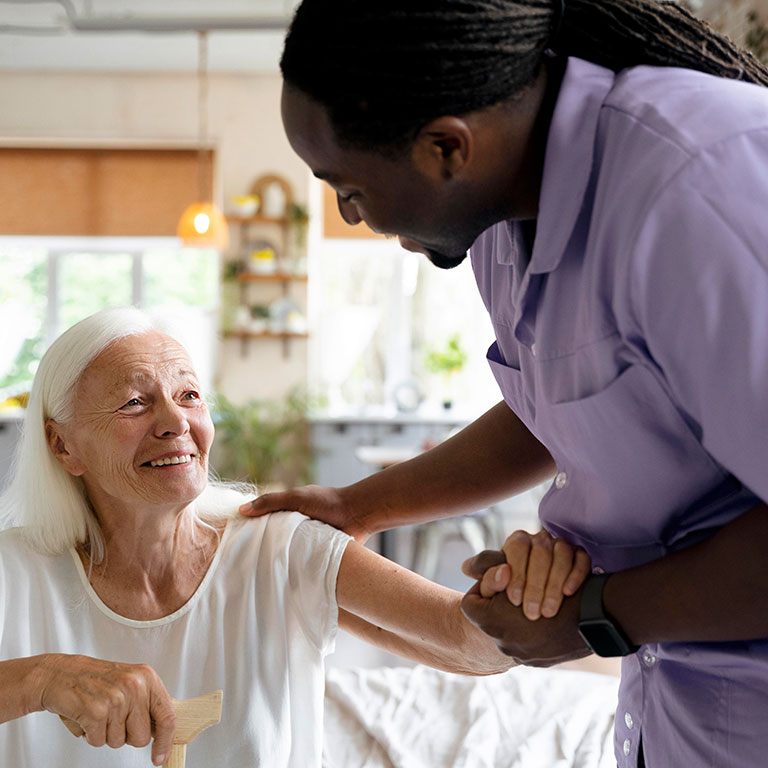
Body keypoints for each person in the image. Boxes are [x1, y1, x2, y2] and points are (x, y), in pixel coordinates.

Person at [239, 1, 768, 766]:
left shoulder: (698, 191)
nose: (350, 218)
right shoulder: (500, 220)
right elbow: (561, 403)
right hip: (676, 715)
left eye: (348, 190)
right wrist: (361, 505)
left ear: (446, 147)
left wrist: (594, 615)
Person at [0, 307, 587, 767]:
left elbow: (467, 643)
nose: (177, 422)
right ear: (62, 445)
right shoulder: (13, 571)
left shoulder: (278, 547)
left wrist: (524, 599)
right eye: (134, 402)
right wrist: (41, 680)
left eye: (189, 395)